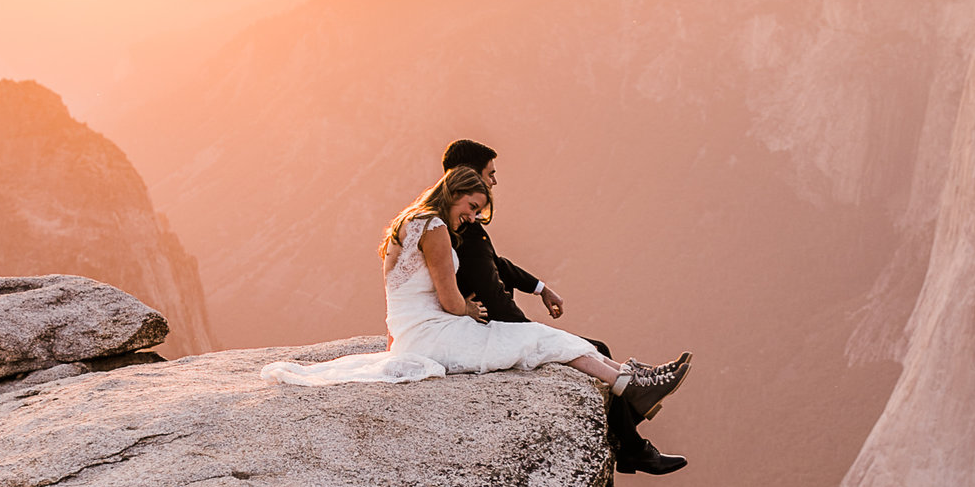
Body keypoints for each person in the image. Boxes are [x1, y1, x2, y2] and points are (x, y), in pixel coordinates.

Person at [264, 169, 691, 414]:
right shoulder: (433, 229)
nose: (471, 218)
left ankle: (630, 379)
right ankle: (627, 383)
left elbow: (397, 295)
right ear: (452, 194)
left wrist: (403, 336)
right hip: (433, 335)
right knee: (538, 338)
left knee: (539, 337)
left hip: (414, 333)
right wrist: (469, 310)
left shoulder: (408, 223)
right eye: (470, 207)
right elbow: (449, 300)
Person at [440, 138, 686, 475]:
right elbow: (490, 289)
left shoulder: (457, 216)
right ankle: (636, 430)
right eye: (490, 174)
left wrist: (540, 288)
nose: (495, 181)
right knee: (591, 348)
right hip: (483, 327)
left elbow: (497, 264)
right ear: (470, 175)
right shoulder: (460, 225)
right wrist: (529, 331)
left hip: (485, 321)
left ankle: (637, 411)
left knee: (594, 348)